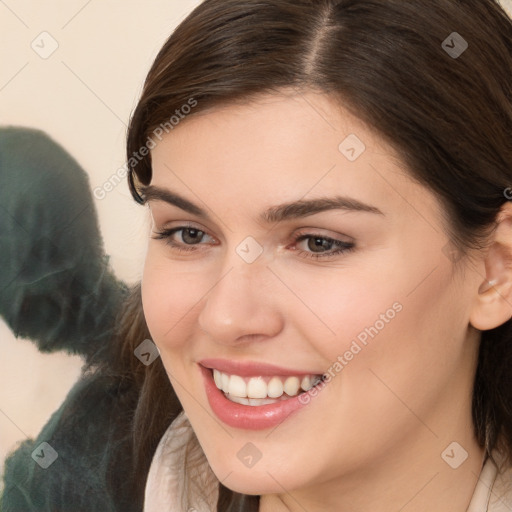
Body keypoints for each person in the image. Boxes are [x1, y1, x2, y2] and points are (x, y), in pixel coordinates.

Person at [123, 0, 512, 510]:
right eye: (189, 234)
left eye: (318, 243)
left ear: (496, 270)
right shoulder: (67, 477)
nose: (226, 316)